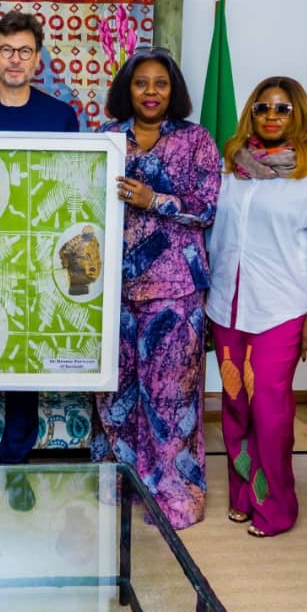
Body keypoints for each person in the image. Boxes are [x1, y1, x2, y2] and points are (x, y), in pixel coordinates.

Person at [0, 10, 81, 512]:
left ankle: (17, 464)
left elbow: (70, 188)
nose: (15, 60)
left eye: (25, 51)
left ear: (38, 57)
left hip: (36, 257)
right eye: (6, 50)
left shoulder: (60, 117)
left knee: (25, 360)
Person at [207, 76, 307, 538]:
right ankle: (243, 495)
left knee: (269, 410)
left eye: (282, 108)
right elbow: (216, 237)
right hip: (227, 305)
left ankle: (276, 508)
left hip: (281, 309)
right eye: (263, 107)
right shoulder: (233, 167)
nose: (271, 115)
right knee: (234, 406)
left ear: (298, 113)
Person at [90, 47, 221, 530]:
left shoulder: (196, 140)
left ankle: (174, 496)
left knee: (171, 396)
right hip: (113, 289)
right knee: (115, 394)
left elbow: (207, 208)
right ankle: (122, 484)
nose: (150, 92)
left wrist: (154, 199)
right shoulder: (105, 138)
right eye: (141, 82)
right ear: (127, 89)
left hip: (176, 291)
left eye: (160, 83)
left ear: (173, 90)